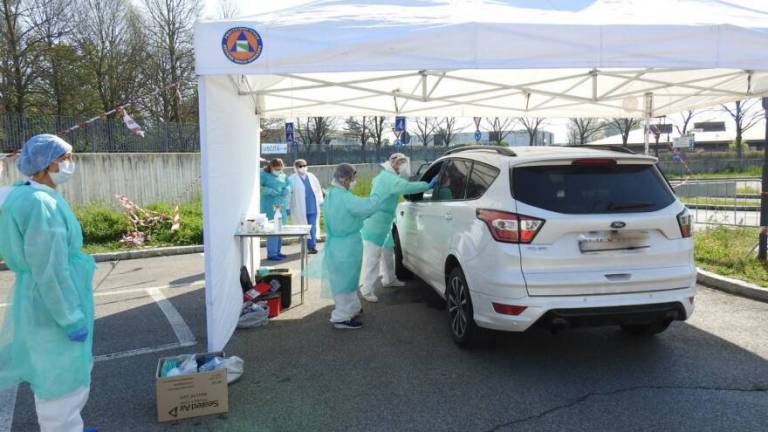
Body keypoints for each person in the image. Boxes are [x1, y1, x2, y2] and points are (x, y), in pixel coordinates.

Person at [0, 134, 96, 432]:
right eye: (66, 157)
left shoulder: (24, 194)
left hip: (41, 298)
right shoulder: (41, 204)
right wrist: (70, 318)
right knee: (61, 378)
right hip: (52, 302)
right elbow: (50, 270)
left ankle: (71, 426)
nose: (70, 163)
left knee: (53, 369)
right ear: (48, 162)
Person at [314, 163, 390, 329]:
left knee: (346, 279)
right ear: (344, 179)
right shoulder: (344, 197)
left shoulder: (332, 194)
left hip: (337, 245)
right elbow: (366, 207)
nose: (354, 181)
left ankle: (352, 308)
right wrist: (379, 195)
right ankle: (341, 317)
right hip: (346, 246)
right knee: (345, 281)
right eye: (352, 178)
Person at [359, 153, 437, 302]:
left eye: (403, 162)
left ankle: (389, 279)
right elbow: (406, 187)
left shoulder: (386, 176)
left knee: (388, 252)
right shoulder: (389, 179)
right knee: (373, 257)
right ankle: (367, 289)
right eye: (400, 163)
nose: (402, 165)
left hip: (384, 221)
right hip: (377, 223)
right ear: (392, 163)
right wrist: (427, 185)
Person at [287, 159, 323, 254]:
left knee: (312, 227)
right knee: (302, 228)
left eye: (304, 165)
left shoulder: (312, 177)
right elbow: (288, 194)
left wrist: (321, 201)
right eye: (300, 166)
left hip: (312, 207)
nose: (303, 167)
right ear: (295, 167)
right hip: (299, 208)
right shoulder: (291, 179)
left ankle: (312, 246)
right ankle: (305, 245)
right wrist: (288, 207)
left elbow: (318, 190)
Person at [260, 158, 291, 261]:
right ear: (271, 167)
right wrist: (267, 190)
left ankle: (278, 251)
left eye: (280, 168)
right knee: (273, 229)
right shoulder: (263, 175)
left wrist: (287, 189)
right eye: (276, 168)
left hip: (280, 204)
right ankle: (272, 253)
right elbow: (257, 186)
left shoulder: (283, 175)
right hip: (269, 205)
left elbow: (289, 184)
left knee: (280, 229)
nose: (278, 170)